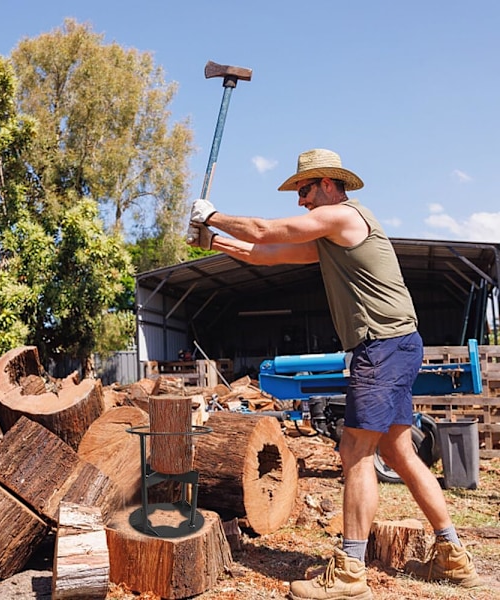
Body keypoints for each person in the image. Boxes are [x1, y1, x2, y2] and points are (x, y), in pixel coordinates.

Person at [186, 149, 481, 600]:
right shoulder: (332, 236)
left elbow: (267, 229)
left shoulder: (345, 217)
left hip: (382, 346)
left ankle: (350, 572)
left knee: (355, 451)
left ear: (326, 183)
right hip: (395, 344)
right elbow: (266, 252)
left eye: (303, 190)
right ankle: (453, 556)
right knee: (400, 453)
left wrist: (216, 213)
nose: (300, 200)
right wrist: (212, 240)